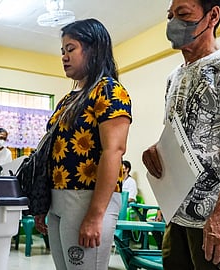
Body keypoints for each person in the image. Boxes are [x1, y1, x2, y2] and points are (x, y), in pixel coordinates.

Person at [142, 0, 220, 268]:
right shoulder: (174, 77)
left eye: (183, 14)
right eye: (170, 15)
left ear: (213, 15)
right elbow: (181, 137)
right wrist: (156, 151)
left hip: (218, 221)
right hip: (179, 219)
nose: (173, 23)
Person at [34, 18, 132, 270]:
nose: (64, 57)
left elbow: (114, 151)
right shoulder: (69, 99)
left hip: (87, 199)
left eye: (71, 49)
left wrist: (95, 215)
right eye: (62, 51)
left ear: (93, 49)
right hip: (59, 199)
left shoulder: (110, 90)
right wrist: (43, 204)